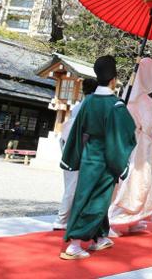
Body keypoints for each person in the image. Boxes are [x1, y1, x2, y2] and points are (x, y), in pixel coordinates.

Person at [59, 56, 137, 260]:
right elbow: (126, 133)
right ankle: (75, 243)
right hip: (106, 158)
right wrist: (121, 164)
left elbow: (77, 130)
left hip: (88, 155)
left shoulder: (89, 101)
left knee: (86, 195)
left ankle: (100, 237)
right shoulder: (115, 105)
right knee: (98, 201)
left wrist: (72, 158)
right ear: (114, 79)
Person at [108, 58, 152, 236]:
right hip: (140, 147)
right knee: (135, 182)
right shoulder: (145, 100)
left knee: (130, 181)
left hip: (130, 144)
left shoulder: (128, 96)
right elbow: (148, 125)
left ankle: (132, 218)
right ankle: (114, 220)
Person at [53, 77, 98, 231]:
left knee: (70, 185)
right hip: (78, 149)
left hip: (69, 145)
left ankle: (67, 217)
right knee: (73, 187)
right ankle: (62, 219)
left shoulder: (78, 106)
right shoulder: (89, 105)